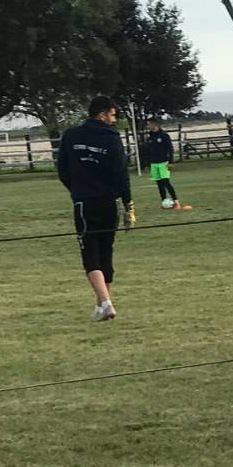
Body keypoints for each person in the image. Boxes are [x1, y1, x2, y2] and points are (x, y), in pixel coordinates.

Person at [58, 96, 136, 321]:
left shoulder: (71, 136)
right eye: (112, 115)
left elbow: (62, 170)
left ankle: (105, 303)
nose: (114, 120)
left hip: (84, 203)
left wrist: (77, 189)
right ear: (102, 114)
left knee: (90, 254)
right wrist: (128, 204)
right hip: (109, 203)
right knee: (105, 252)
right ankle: (102, 304)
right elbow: (121, 174)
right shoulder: (112, 138)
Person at [145, 118, 191, 211]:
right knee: (159, 184)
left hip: (163, 163)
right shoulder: (149, 137)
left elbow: (170, 149)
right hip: (154, 164)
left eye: (149, 124)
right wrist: (147, 164)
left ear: (155, 124)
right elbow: (148, 151)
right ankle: (164, 203)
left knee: (166, 183)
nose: (147, 126)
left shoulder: (164, 135)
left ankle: (176, 202)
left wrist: (170, 162)